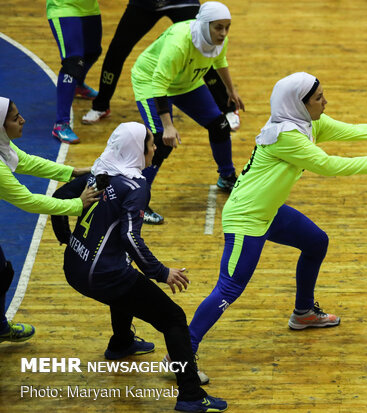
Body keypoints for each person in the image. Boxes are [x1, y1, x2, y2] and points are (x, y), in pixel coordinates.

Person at [186, 71, 367, 360]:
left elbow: (351, 130)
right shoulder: (286, 136)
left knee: (316, 242)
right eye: (319, 98)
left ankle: (304, 312)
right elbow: (326, 164)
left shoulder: (306, 122)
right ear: (299, 103)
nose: (325, 102)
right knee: (229, 288)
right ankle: (182, 353)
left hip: (268, 211)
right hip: (246, 219)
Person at [57, 122, 227, 412]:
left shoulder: (99, 171)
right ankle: (190, 395)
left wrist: (67, 240)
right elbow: (130, 236)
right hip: (102, 275)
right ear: (138, 149)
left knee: (125, 280)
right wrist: (162, 273)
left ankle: (122, 342)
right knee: (173, 317)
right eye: (150, 144)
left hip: (74, 267)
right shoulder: (136, 186)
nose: (154, 149)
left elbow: (59, 198)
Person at [131, 1, 245, 224]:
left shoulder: (219, 39)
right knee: (160, 140)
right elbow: (159, 83)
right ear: (204, 25)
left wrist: (231, 91)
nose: (223, 33)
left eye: (227, 27)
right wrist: (169, 124)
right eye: (218, 27)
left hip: (185, 81)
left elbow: (219, 60)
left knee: (219, 125)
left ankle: (227, 177)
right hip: (150, 81)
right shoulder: (179, 43)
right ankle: (137, 203)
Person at [0, 97, 99, 343]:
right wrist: (77, 205)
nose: (22, 120)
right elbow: (29, 201)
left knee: (2, 273)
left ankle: (0, 327)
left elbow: (25, 161)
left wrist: (71, 171)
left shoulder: (2, 146)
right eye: (14, 119)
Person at [81, 0, 241, 132]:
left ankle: (227, 107)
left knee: (206, 44)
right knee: (117, 50)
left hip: (181, 2)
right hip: (147, 3)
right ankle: (101, 105)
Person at [47, 0, 103, 144]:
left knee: (92, 52)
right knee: (73, 63)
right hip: (64, 7)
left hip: (89, 8)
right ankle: (61, 124)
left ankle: (77, 85)